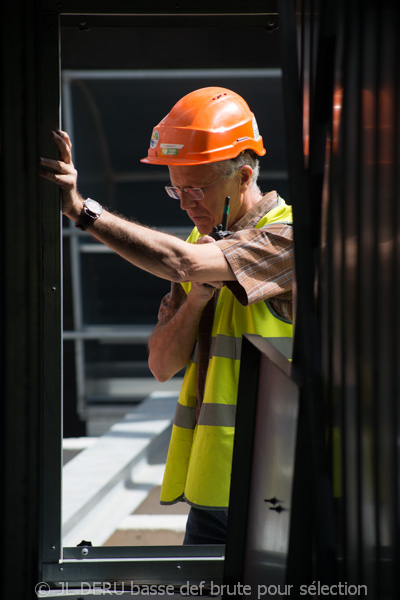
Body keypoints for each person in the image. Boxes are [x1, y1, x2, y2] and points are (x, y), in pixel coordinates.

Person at [40, 87, 294, 545]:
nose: (184, 204)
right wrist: (195, 301)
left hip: (279, 487)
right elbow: (161, 366)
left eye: (196, 189)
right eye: (175, 189)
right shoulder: (199, 249)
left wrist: (81, 211)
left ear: (244, 176)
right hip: (211, 492)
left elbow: (180, 263)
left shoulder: (290, 239)